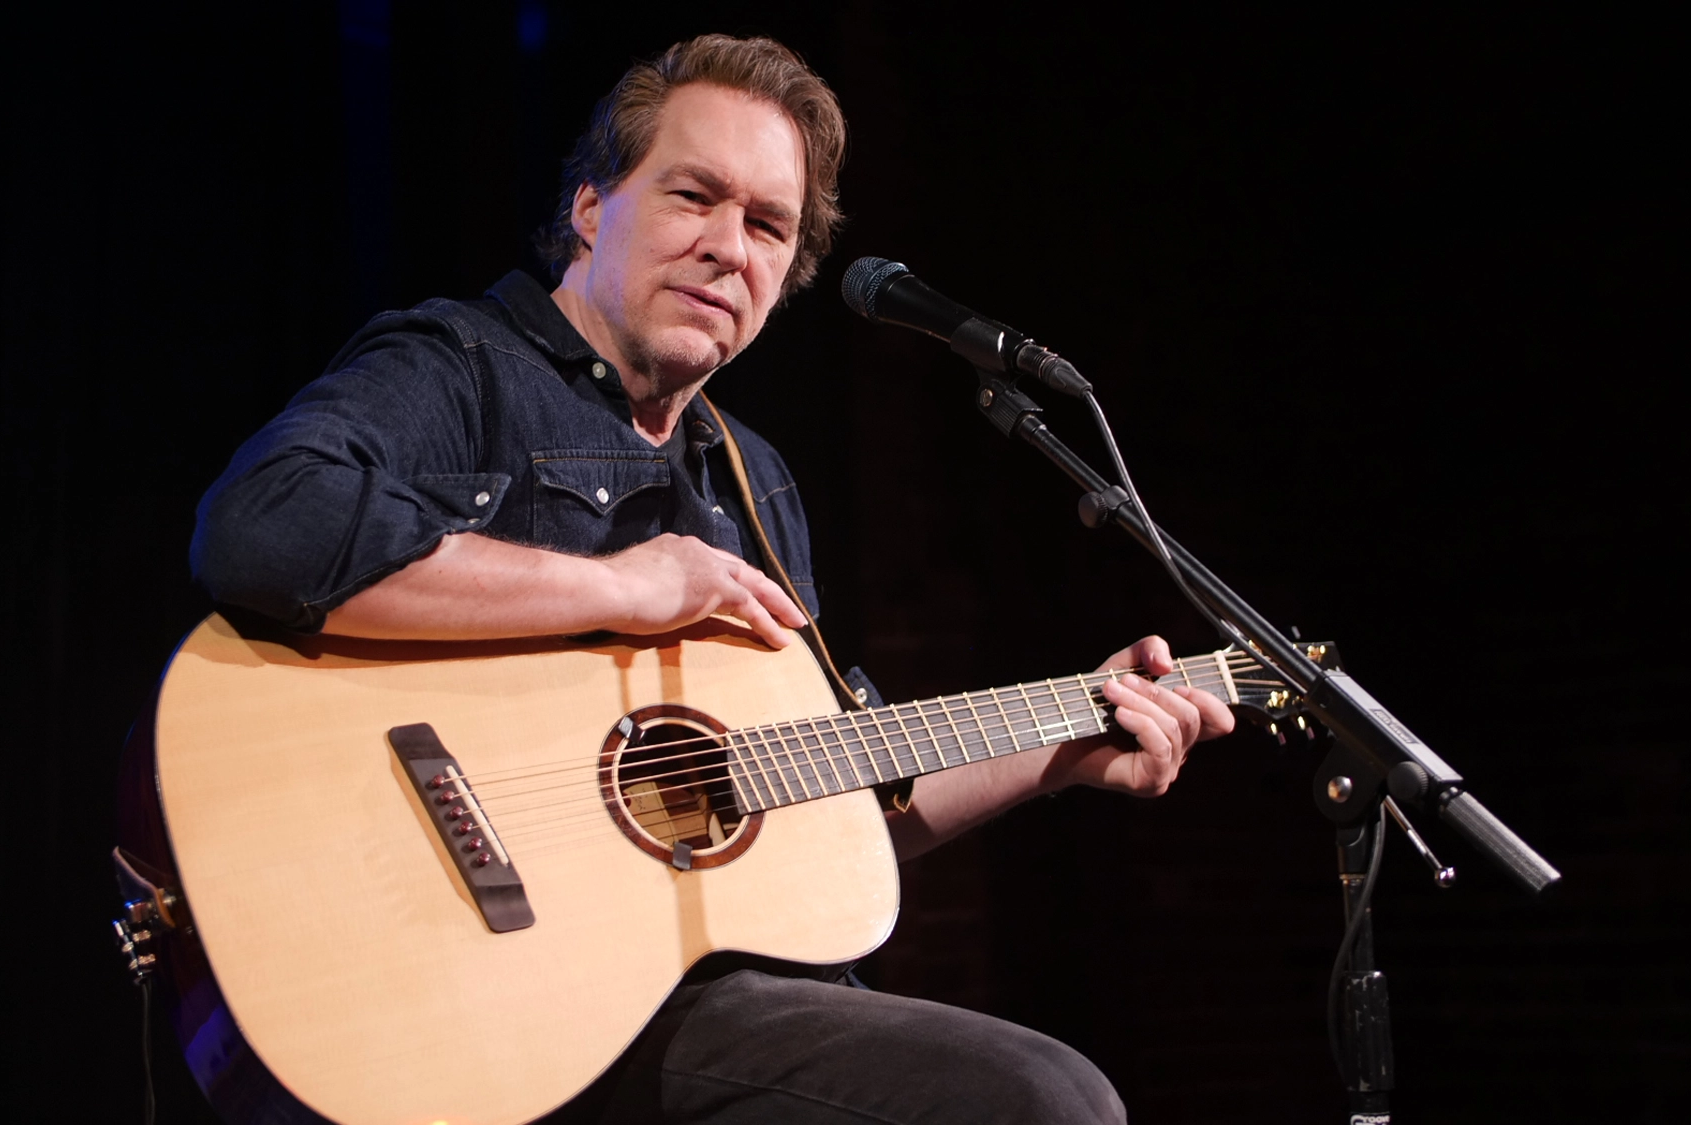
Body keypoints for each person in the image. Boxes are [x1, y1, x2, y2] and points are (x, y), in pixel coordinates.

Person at [192, 33, 1234, 1125]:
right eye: (694, 196)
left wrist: (1065, 746)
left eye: (767, 226)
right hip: (470, 978)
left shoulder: (756, 484)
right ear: (591, 208)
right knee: (1042, 1099)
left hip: (671, 993)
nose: (729, 247)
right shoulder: (459, 368)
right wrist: (624, 588)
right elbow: (263, 528)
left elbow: (833, 801)